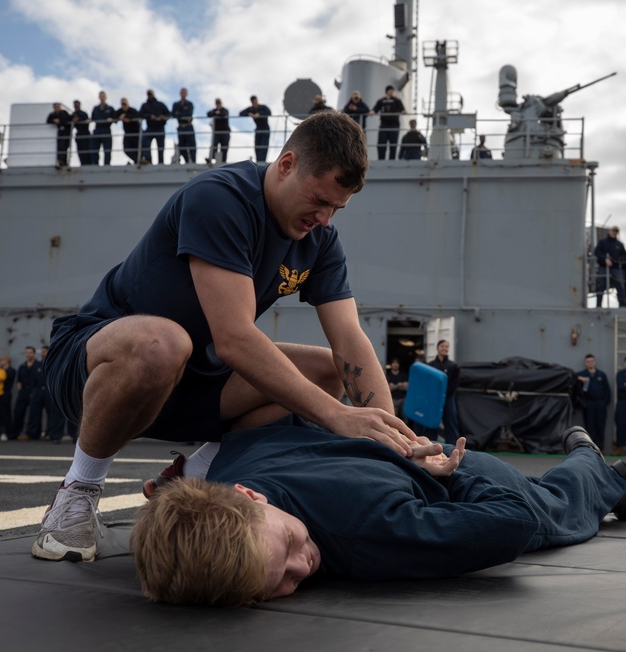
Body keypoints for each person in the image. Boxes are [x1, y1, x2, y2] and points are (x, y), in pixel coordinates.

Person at [31, 112, 417, 564]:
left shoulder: (320, 241)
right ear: (287, 164)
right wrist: (338, 418)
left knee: (326, 373)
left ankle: (186, 479)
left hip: (195, 383)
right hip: (95, 366)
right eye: (318, 200)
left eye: (337, 208)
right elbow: (234, 338)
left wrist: (394, 442)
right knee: (163, 342)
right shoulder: (220, 198)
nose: (324, 217)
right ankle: (78, 491)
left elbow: (349, 340)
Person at [130, 421, 626, 606]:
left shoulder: (367, 535)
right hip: (410, 452)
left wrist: (449, 478)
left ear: (249, 497)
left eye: (287, 548)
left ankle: (593, 464)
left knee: (555, 510)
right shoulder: (232, 470)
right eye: (277, 586)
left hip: (453, 470)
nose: (302, 566)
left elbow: (513, 521)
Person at [428, 340, 460, 445]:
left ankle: (452, 449)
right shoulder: (430, 365)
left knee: (451, 424)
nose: (444, 348)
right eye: (442, 346)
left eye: (447, 347)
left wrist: (444, 394)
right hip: (433, 401)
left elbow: (454, 384)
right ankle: (429, 447)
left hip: (448, 399)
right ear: (437, 348)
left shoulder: (453, 366)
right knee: (431, 425)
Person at [575, 354, 610, 449]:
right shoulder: (582, 374)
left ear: (595, 362)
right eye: (588, 361)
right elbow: (571, 377)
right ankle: (591, 449)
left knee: (600, 426)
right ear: (585, 363)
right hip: (588, 404)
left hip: (600, 404)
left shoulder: (601, 375)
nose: (590, 363)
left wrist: (604, 403)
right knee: (589, 426)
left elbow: (607, 390)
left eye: (592, 361)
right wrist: (579, 379)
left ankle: (600, 448)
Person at [592, 226, 626, 308]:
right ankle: (598, 305)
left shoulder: (619, 244)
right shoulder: (602, 242)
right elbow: (597, 252)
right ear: (609, 231)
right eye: (613, 231)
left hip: (615, 268)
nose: (614, 233)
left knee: (620, 286)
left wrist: (618, 260)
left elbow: (625, 256)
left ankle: (622, 306)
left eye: (616, 231)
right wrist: (605, 259)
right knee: (600, 285)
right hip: (604, 267)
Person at [13, 346, 43, 440]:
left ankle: (32, 434)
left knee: (34, 413)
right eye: (26, 353)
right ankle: (16, 433)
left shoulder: (39, 365)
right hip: (23, 391)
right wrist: (20, 389)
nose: (28, 354)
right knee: (19, 412)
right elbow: (19, 380)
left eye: (30, 352)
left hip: (35, 390)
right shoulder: (22, 366)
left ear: (34, 354)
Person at [370, 85, 405, 160]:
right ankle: (381, 159)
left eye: (393, 91)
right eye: (391, 90)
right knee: (381, 143)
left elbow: (402, 108)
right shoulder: (381, 101)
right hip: (384, 124)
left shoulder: (397, 101)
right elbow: (375, 108)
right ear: (387, 91)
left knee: (393, 144)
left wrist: (403, 111)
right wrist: (373, 112)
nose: (392, 92)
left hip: (394, 124)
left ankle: (391, 160)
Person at [139, 90, 170, 165]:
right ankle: (148, 159)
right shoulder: (145, 105)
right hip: (150, 127)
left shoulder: (160, 104)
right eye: (148, 94)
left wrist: (164, 117)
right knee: (145, 142)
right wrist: (149, 116)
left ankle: (161, 162)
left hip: (160, 127)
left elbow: (168, 113)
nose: (150, 95)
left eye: (151, 94)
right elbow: (140, 114)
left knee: (161, 147)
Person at [240, 96, 272, 162]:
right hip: (258, 129)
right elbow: (241, 113)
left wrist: (260, 114)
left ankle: (262, 161)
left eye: (255, 101)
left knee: (264, 147)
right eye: (253, 102)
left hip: (265, 129)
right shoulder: (251, 109)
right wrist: (249, 114)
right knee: (257, 146)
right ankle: (258, 161)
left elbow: (269, 112)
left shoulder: (263, 107)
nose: (255, 103)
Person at [90, 91, 115, 166]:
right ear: (99, 97)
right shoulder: (95, 108)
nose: (102, 98)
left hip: (106, 130)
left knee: (107, 150)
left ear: (106, 97)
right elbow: (92, 118)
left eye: (103, 96)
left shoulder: (110, 108)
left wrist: (112, 119)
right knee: (94, 149)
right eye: (101, 96)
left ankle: (107, 165)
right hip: (97, 130)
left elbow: (115, 118)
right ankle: (95, 164)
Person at [172, 88, 196, 165]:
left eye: (184, 92)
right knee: (182, 146)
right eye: (182, 92)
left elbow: (189, 113)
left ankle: (193, 162)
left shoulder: (189, 104)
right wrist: (182, 115)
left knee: (192, 145)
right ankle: (187, 161)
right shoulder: (176, 104)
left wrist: (179, 113)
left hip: (188, 127)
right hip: (181, 127)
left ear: (186, 94)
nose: (183, 93)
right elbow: (173, 114)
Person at [46, 102, 72, 167]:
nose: (57, 108)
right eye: (55, 107)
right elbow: (48, 120)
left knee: (64, 146)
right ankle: (60, 161)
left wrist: (59, 121)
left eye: (58, 107)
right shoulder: (52, 114)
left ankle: (64, 161)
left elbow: (66, 119)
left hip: (66, 132)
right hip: (60, 132)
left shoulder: (64, 113)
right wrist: (53, 120)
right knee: (59, 147)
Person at [116, 98, 141, 165]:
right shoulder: (120, 111)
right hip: (127, 133)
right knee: (126, 149)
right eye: (122, 104)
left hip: (136, 133)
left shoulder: (133, 110)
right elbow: (115, 118)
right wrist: (119, 118)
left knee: (137, 149)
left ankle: (138, 161)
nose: (124, 106)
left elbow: (138, 116)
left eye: (125, 104)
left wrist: (128, 118)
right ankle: (137, 161)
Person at [70, 100, 94, 166]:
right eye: (75, 105)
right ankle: (83, 164)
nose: (76, 106)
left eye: (77, 105)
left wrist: (78, 120)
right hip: (79, 134)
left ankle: (89, 164)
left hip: (85, 134)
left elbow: (86, 122)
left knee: (87, 150)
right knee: (80, 151)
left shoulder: (83, 113)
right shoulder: (73, 115)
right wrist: (73, 122)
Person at [206, 98, 230, 165]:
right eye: (217, 103)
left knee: (224, 147)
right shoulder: (215, 110)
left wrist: (216, 113)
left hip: (225, 132)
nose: (218, 105)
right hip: (217, 132)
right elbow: (208, 114)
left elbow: (223, 114)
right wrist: (216, 112)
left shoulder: (225, 110)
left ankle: (223, 161)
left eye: (219, 103)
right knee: (214, 145)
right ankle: (211, 158)